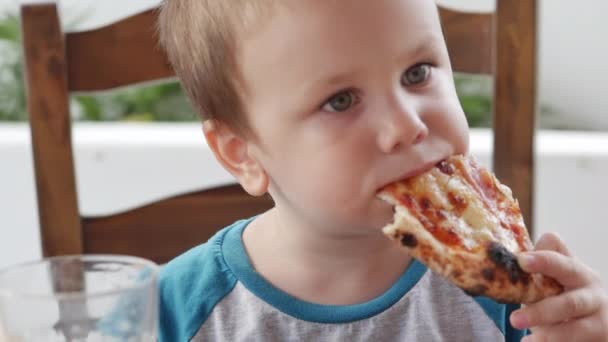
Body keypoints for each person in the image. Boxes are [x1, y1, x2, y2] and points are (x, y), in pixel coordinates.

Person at [156, 1, 608, 341]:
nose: (408, 125)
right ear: (244, 155)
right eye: (341, 100)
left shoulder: (508, 298)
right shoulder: (173, 311)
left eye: (417, 73)